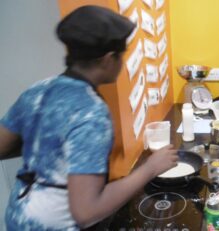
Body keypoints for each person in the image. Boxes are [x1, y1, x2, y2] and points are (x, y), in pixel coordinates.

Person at [0, 5, 178, 230]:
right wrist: (150, 168)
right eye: (121, 56)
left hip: (17, 218)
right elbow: (87, 211)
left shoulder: (38, 90)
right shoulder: (91, 113)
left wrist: (52, 144)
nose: (122, 64)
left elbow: (2, 146)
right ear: (107, 59)